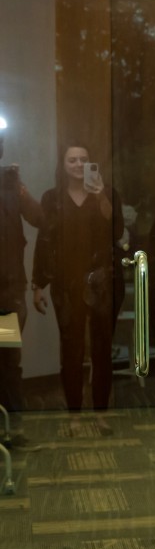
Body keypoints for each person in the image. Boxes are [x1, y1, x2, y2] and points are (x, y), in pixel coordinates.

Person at [31, 144, 125, 434]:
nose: (78, 163)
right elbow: (45, 240)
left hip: (104, 282)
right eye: (72, 159)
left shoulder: (107, 193)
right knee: (70, 350)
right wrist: (38, 284)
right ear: (63, 164)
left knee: (101, 350)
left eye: (84, 159)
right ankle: (73, 416)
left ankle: (100, 415)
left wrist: (100, 198)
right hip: (66, 285)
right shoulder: (51, 198)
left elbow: (117, 231)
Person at [0, 131, 44, 439]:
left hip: (7, 293)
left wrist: (21, 192)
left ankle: (12, 430)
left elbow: (40, 219)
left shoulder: (12, 187)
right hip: (8, 291)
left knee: (6, 360)